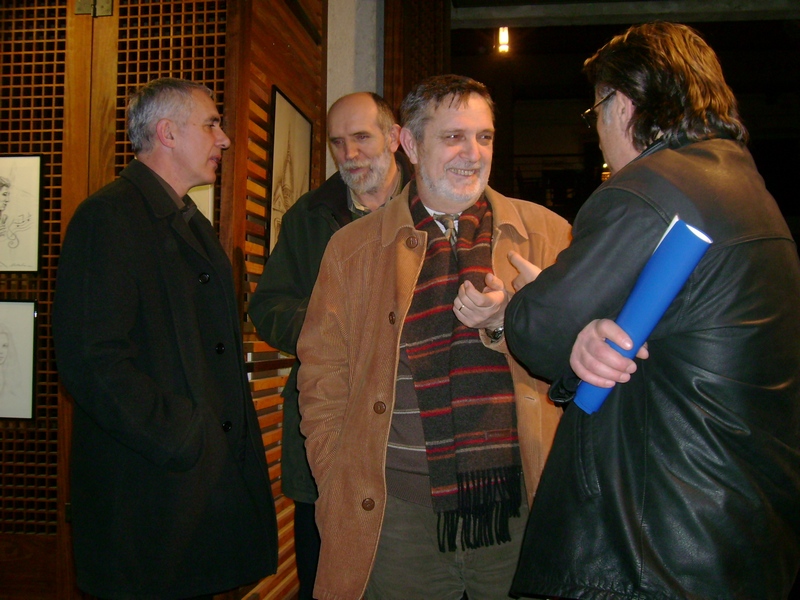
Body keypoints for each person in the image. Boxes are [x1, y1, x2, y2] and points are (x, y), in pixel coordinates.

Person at [504, 22, 800, 600]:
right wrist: (585, 328)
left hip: (653, 543)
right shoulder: (747, 187)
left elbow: (539, 329)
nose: (596, 135)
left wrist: (531, 300)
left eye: (594, 113)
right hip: (743, 528)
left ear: (622, 105)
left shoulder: (647, 190)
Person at [295, 74, 571, 600]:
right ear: (410, 143)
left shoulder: (548, 236)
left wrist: (509, 323)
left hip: (520, 508)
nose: (473, 153)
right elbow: (322, 378)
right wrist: (334, 476)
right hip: (395, 517)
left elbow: (584, 365)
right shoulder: (352, 250)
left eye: (484, 137)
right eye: (453, 137)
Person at [53, 78, 279, 599]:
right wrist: (183, 434)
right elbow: (91, 360)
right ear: (167, 133)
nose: (224, 139)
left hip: (193, 493)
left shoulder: (188, 219)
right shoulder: (108, 216)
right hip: (149, 491)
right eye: (211, 124)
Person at [248, 91, 413, 600]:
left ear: (394, 137)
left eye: (362, 138)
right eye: (338, 143)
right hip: (328, 428)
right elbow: (268, 306)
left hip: (411, 436)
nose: (349, 154)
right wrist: (334, 328)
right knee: (328, 577)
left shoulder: (432, 204)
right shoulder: (309, 216)